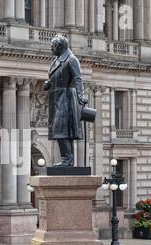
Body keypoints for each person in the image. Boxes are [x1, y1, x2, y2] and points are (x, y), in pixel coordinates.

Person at [43, 35, 88, 167]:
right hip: (57, 97)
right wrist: (49, 84)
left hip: (66, 98)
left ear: (60, 46)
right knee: (58, 130)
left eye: (53, 46)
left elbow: (78, 79)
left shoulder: (71, 60)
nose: (51, 48)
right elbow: (56, 77)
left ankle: (68, 159)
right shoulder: (57, 60)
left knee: (62, 129)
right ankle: (66, 158)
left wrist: (81, 95)